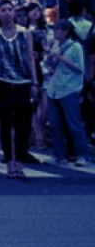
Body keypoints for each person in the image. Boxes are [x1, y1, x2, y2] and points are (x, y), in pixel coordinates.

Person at [0, 0, 39, 179]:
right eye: (3, 10)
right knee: (5, 125)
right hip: (3, 82)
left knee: (23, 124)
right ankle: (9, 163)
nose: (7, 13)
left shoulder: (25, 33)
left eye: (10, 10)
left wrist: (35, 82)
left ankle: (19, 161)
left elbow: (30, 57)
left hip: (23, 82)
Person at [44, 16, 88, 166]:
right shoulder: (56, 45)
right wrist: (50, 59)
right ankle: (58, 154)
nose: (55, 32)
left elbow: (79, 68)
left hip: (70, 88)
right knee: (54, 124)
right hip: (54, 87)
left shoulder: (75, 47)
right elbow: (51, 67)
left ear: (65, 31)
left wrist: (60, 58)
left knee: (73, 123)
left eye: (57, 29)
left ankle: (82, 154)